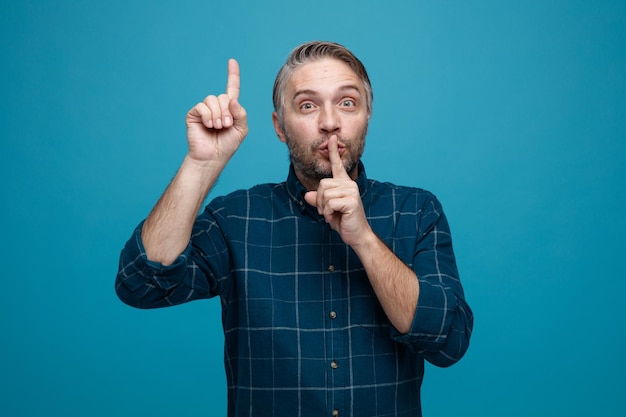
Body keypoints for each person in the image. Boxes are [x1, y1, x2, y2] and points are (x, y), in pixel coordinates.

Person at [116, 40, 473, 417]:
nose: (330, 121)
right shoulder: (236, 218)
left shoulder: (416, 211)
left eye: (347, 102)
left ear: (367, 116)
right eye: (307, 105)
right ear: (279, 127)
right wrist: (201, 164)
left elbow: (447, 342)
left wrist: (365, 240)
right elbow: (141, 283)